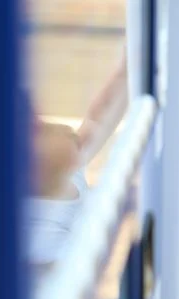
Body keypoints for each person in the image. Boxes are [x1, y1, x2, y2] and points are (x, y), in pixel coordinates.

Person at [24, 49, 128, 267]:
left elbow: (99, 116)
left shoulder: (67, 170)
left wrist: (128, 67)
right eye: (41, 131)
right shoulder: (39, 230)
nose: (67, 132)